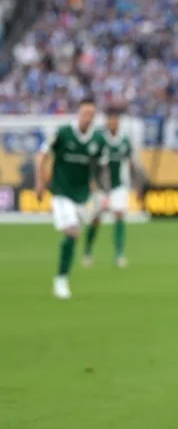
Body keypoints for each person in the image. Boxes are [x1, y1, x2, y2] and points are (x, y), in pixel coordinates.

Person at [34, 101, 106, 299]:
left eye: (92, 114)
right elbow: (41, 155)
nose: (88, 117)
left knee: (77, 232)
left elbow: (100, 168)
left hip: (82, 196)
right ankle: (61, 280)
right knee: (72, 231)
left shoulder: (97, 140)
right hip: (61, 192)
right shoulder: (63, 133)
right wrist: (40, 182)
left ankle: (65, 274)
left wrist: (101, 191)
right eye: (85, 113)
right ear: (78, 113)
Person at [84, 108, 143, 268]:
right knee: (96, 219)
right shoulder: (99, 139)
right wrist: (91, 182)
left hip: (118, 186)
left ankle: (119, 254)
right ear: (106, 122)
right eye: (110, 120)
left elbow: (131, 164)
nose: (112, 122)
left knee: (119, 215)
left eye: (115, 120)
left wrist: (137, 186)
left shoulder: (124, 141)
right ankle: (87, 251)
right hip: (101, 188)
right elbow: (90, 161)